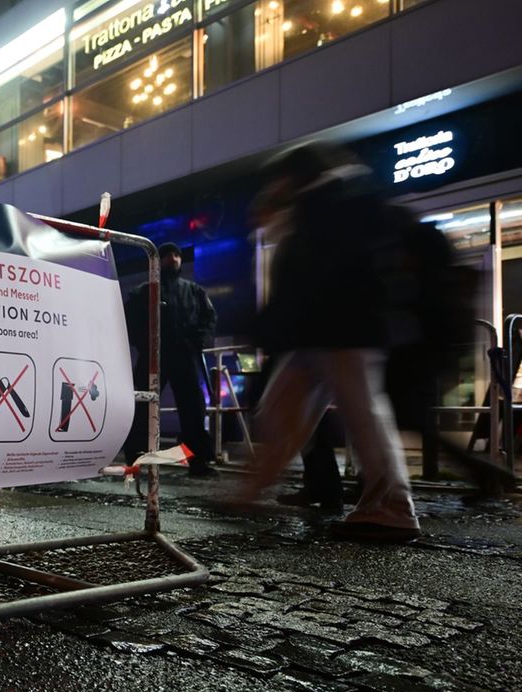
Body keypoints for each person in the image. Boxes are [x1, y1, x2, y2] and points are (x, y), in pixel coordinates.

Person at [239, 141, 420, 540]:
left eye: (279, 180)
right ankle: (251, 489)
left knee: (361, 414)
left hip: (343, 331)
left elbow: (312, 274)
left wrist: (268, 326)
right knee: (284, 408)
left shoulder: (329, 203)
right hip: (323, 333)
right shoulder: (329, 202)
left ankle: (393, 507)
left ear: (292, 177)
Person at [123, 242, 219, 476]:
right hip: (154, 355)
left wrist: (198, 341)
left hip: (185, 355)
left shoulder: (194, 291)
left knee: (193, 410)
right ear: (157, 259)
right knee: (144, 405)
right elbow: (129, 321)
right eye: (167, 255)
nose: (173, 259)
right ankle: (135, 458)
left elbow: (209, 319)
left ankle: (198, 461)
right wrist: (144, 342)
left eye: (177, 255)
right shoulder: (143, 291)